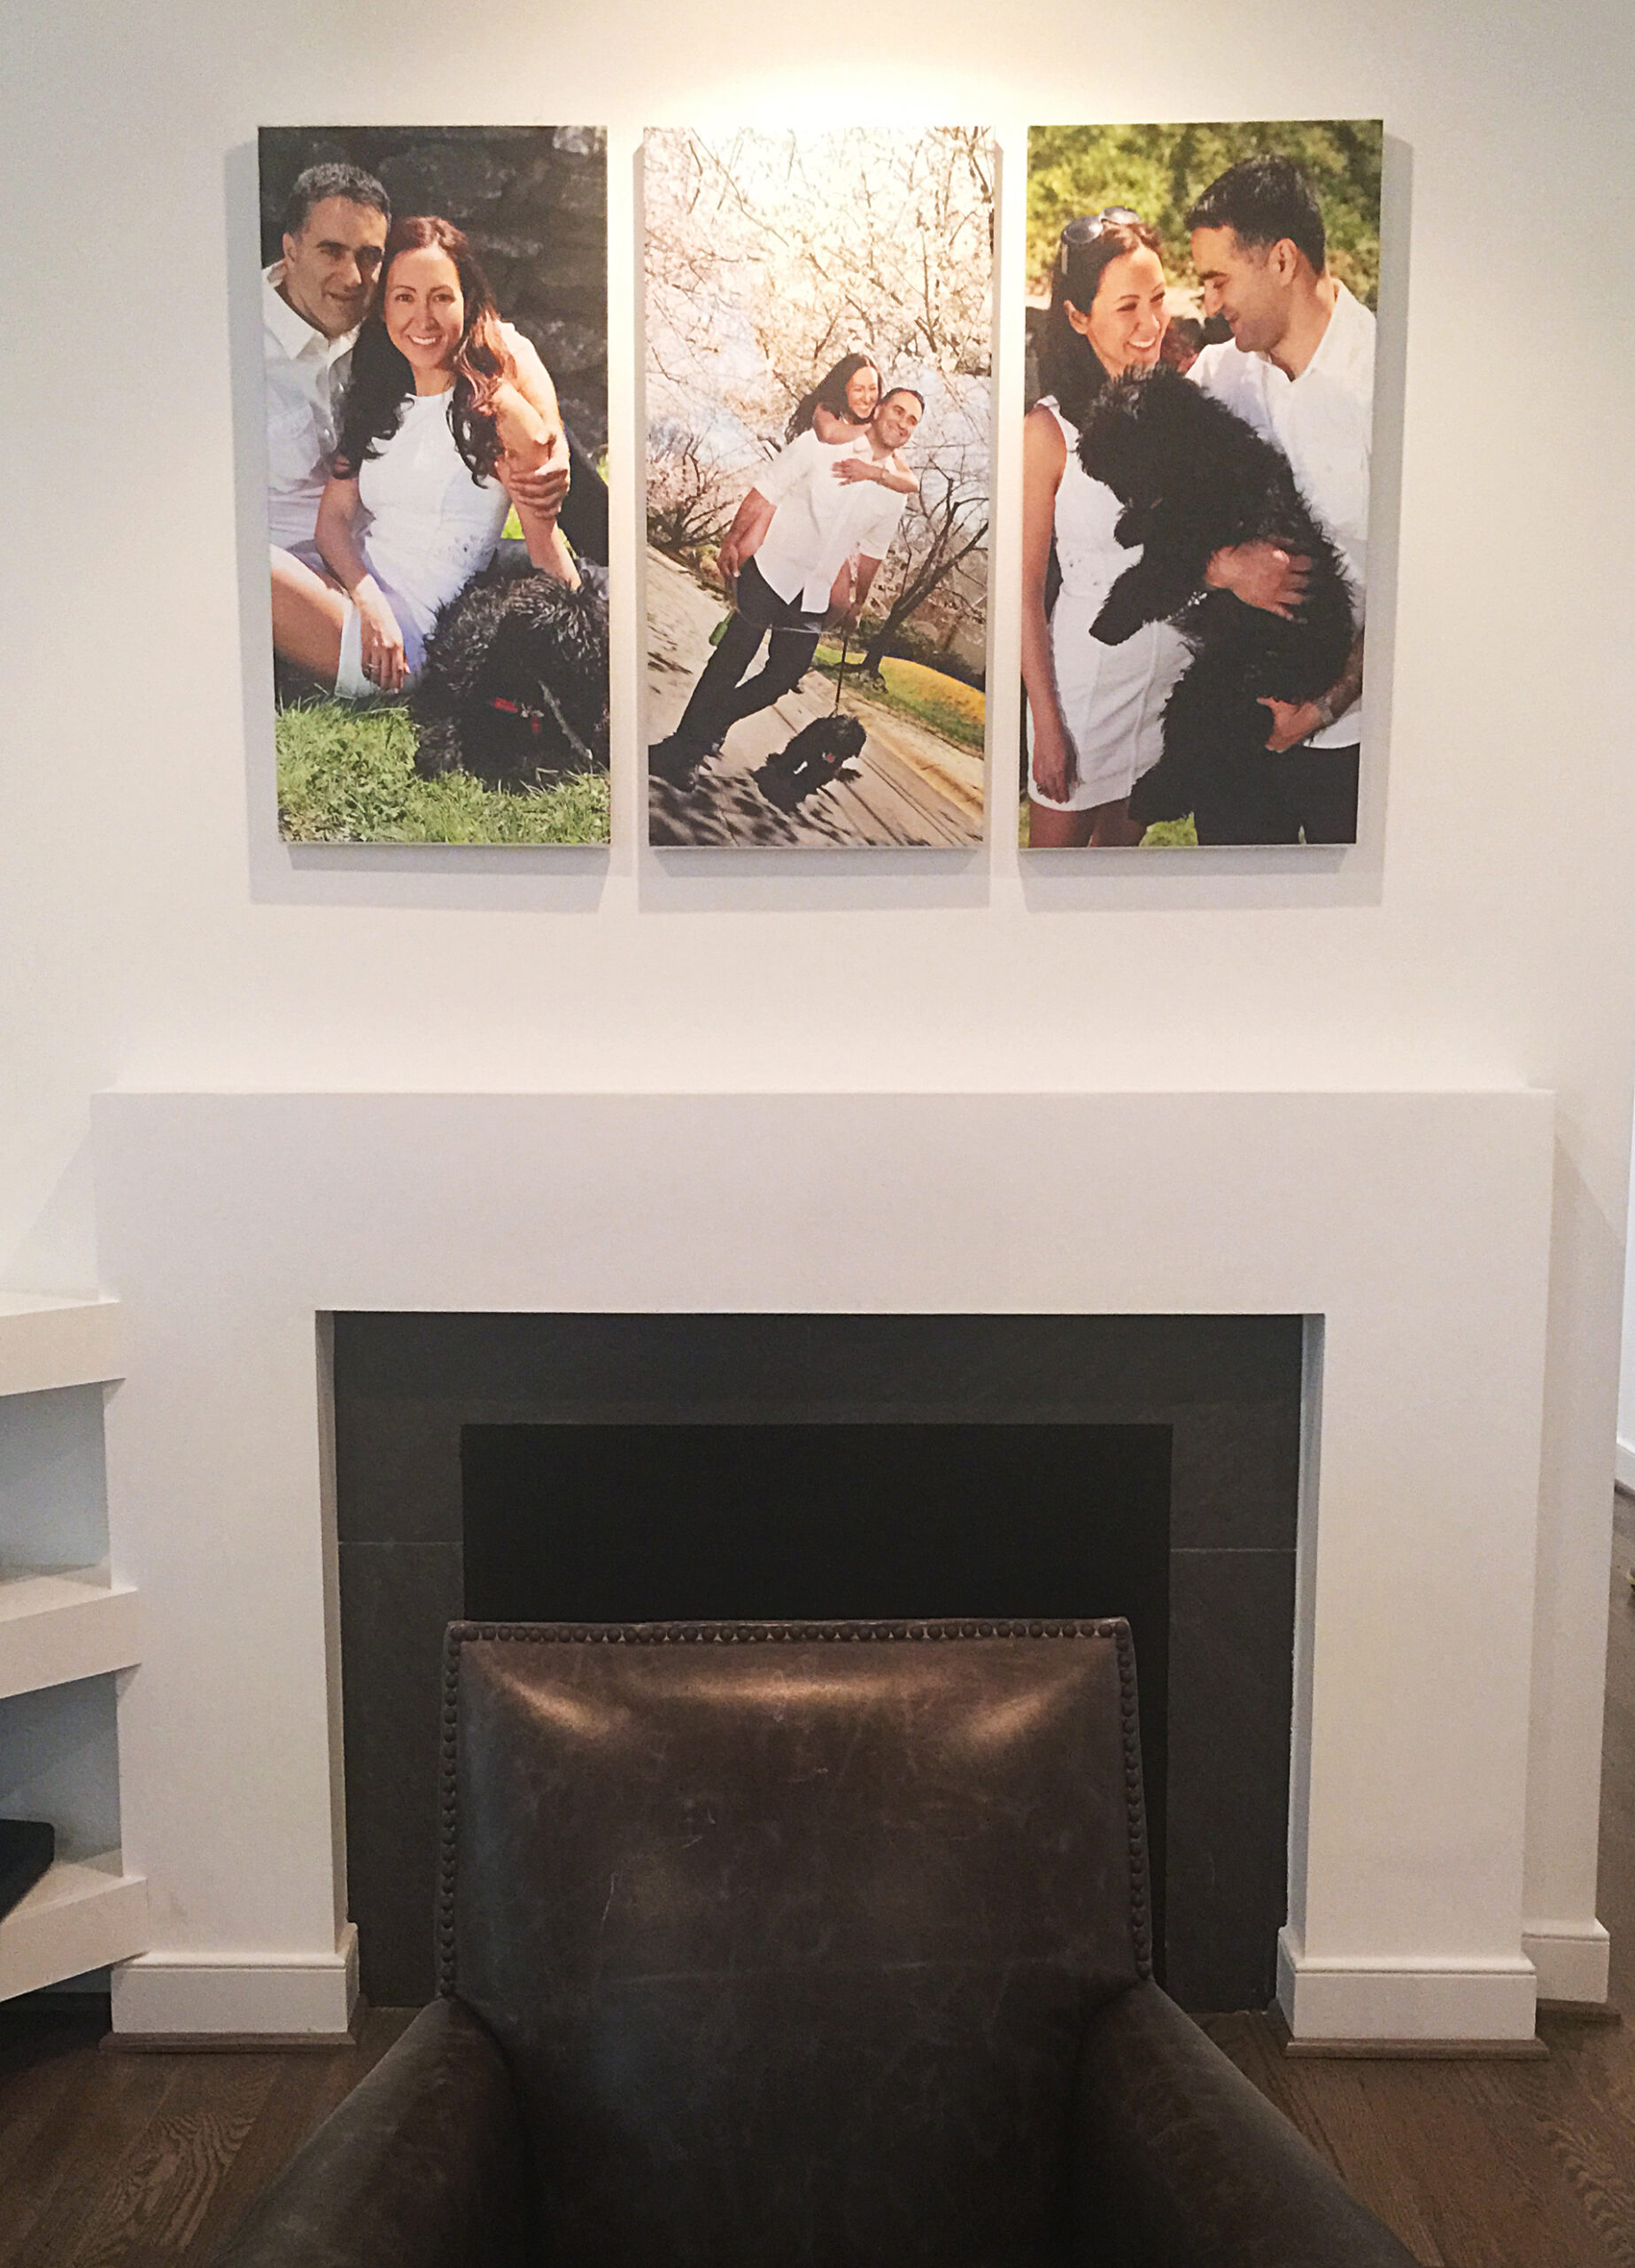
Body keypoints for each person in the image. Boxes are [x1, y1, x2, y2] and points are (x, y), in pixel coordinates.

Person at [1023, 211, 1304, 847]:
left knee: (1116, 880)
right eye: (1127, 307)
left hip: (1168, 694)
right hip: (1086, 697)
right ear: (1077, 317)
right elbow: (1024, 591)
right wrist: (1045, 723)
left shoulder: (1185, 407)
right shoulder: (1047, 433)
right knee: (1049, 882)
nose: (1151, 325)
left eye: (1157, 299)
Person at [271, 216, 577, 700]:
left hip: (408, 643)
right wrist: (368, 602)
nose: (423, 319)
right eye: (404, 298)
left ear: (466, 302)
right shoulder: (382, 398)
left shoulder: (496, 413)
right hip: (360, 601)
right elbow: (333, 521)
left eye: (441, 297)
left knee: (240, 559)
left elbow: (545, 548)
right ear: (384, 309)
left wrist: (585, 655)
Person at [1187, 154, 1374, 843]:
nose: (1210, 303)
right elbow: (1149, 516)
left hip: (1354, 743)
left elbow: (1416, 587)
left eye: (1219, 280)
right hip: (1233, 728)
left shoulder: (1387, 383)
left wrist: (1324, 707)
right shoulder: (1217, 373)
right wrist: (1222, 567)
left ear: (1283, 260)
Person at [651, 385, 924, 784]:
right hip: (771, 569)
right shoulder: (826, 442)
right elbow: (768, 490)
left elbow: (872, 552)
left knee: (783, 676)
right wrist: (733, 539)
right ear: (879, 408)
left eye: (912, 420)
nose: (903, 423)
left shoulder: (894, 492)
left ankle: (707, 726)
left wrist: (858, 602)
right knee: (729, 662)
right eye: (898, 411)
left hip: (814, 592)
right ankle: (682, 752)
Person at [263, 163, 391, 566]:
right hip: (298, 579)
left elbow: (492, 338)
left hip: (395, 555)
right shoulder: (227, 347)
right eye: (332, 251)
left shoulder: (388, 320)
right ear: (291, 252)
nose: (352, 277)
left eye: (369, 257)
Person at [787, 353, 919, 498]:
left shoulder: (877, 421)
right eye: (858, 389)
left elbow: (912, 483)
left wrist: (873, 472)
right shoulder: (826, 409)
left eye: (872, 389)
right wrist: (872, 427)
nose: (867, 398)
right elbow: (828, 433)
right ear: (842, 389)